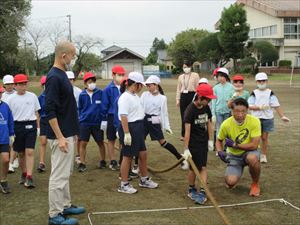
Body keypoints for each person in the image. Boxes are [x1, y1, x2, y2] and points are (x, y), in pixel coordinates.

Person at [45, 40, 85, 225]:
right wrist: (60, 137)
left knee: (66, 173)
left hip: (69, 133)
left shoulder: (61, 75)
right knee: (58, 176)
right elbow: (50, 110)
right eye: (73, 55)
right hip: (60, 136)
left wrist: (72, 134)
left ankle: (65, 205)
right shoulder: (54, 77)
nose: (73, 58)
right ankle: (54, 215)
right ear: (63, 56)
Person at [118, 72, 158, 194]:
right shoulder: (125, 97)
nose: (143, 87)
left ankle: (144, 179)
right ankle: (124, 184)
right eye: (141, 85)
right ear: (136, 84)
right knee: (128, 156)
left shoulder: (135, 95)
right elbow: (123, 115)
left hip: (138, 127)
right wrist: (126, 133)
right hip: (130, 128)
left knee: (143, 154)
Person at [216, 98, 262, 197]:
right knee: (230, 183)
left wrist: (235, 145)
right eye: (237, 111)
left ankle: (255, 183)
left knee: (252, 158)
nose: (240, 114)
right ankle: (237, 171)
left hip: (250, 152)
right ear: (231, 111)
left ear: (247, 110)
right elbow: (219, 140)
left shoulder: (255, 121)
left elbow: (254, 145)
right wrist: (220, 151)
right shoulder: (226, 124)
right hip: (234, 156)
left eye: (243, 111)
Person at [140, 75, 188, 170]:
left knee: (163, 142)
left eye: (150, 85)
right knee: (140, 142)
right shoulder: (144, 94)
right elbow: (140, 107)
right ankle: (136, 165)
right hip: (144, 120)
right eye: (147, 86)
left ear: (156, 85)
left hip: (155, 121)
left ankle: (181, 159)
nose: (148, 87)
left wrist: (167, 126)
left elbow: (164, 113)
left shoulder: (162, 98)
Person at [182, 83, 216, 204]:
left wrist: (210, 140)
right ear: (200, 97)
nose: (209, 102)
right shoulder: (190, 110)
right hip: (193, 144)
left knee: (202, 167)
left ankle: (202, 190)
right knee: (194, 168)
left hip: (203, 143)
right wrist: (186, 148)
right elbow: (187, 131)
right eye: (208, 99)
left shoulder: (206, 107)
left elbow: (209, 123)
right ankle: (192, 189)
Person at [6, 74, 40, 188]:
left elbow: (36, 112)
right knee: (20, 153)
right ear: (15, 85)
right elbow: (8, 116)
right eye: (21, 84)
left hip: (31, 125)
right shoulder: (10, 99)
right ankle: (24, 173)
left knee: (30, 151)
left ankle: (29, 177)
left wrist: (38, 127)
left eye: (25, 83)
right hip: (17, 126)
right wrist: (10, 132)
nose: (23, 86)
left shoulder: (32, 96)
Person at [248, 72, 290, 163]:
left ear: (266, 81)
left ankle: (263, 155)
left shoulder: (270, 93)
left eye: (263, 81)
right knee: (256, 137)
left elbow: (276, 105)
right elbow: (249, 105)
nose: (261, 82)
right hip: (256, 118)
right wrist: (259, 107)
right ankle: (255, 153)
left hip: (267, 118)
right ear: (256, 82)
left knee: (264, 138)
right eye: (259, 81)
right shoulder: (254, 93)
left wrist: (282, 116)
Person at [77, 72, 106, 172]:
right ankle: (82, 163)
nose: (92, 83)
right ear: (85, 84)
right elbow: (80, 108)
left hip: (97, 122)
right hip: (85, 123)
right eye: (89, 82)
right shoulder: (82, 95)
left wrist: (103, 120)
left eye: (93, 81)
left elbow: (103, 107)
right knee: (83, 143)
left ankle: (103, 160)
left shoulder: (100, 93)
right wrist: (81, 118)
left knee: (100, 142)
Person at [102, 65, 126, 171]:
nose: (120, 77)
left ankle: (123, 160)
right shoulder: (108, 89)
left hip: (123, 116)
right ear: (113, 75)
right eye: (118, 75)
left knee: (122, 139)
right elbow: (104, 105)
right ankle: (112, 160)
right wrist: (104, 119)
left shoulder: (125, 87)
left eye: (122, 75)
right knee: (111, 139)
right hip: (112, 116)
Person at [176, 61, 199, 140]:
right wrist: (178, 99)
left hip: (192, 95)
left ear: (190, 67)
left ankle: (192, 133)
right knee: (183, 115)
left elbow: (197, 87)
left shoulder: (195, 75)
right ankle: (183, 134)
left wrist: (197, 98)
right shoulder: (180, 77)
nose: (185, 69)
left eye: (187, 67)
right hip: (183, 96)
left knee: (192, 114)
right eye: (184, 67)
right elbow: (178, 89)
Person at [211, 67, 234, 137]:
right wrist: (213, 114)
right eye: (219, 76)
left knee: (227, 128)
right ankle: (219, 146)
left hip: (228, 111)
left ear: (226, 77)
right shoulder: (215, 88)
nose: (220, 78)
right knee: (219, 129)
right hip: (218, 112)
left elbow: (233, 99)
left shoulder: (231, 87)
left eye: (222, 76)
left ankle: (227, 146)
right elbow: (213, 101)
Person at [2, 74, 18, 173]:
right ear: (4, 85)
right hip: (4, 122)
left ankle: (11, 162)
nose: (10, 86)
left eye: (11, 84)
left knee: (13, 142)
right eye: (8, 84)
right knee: (6, 143)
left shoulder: (17, 93)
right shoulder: (2, 95)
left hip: (16, 120)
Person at [0, 85, 14, 194]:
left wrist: (11, 135)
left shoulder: (5, 106)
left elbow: (10, 121)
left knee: (5, 160)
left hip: (4, 138)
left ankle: (3, 181)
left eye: (0, 93)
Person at [66, 71, 82, 165]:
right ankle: (67, 156)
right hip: (65, 116)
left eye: (72, 79)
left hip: (76, 115)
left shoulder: (79, 91)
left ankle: (78, 155)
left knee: (78, 137)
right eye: (68, 79)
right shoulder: (61, 91)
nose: (70, 81)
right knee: (67, 136)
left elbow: (81, 106)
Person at [37, 76, 48, 172]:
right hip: (44, 121)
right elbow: (38, 113)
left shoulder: (56, 95)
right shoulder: (40, 97)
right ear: (42, 85)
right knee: (43, 142)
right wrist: (38, 126)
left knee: (55, 143)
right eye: (44, 84)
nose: (46, 86)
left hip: (55, 121)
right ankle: (42, 163)